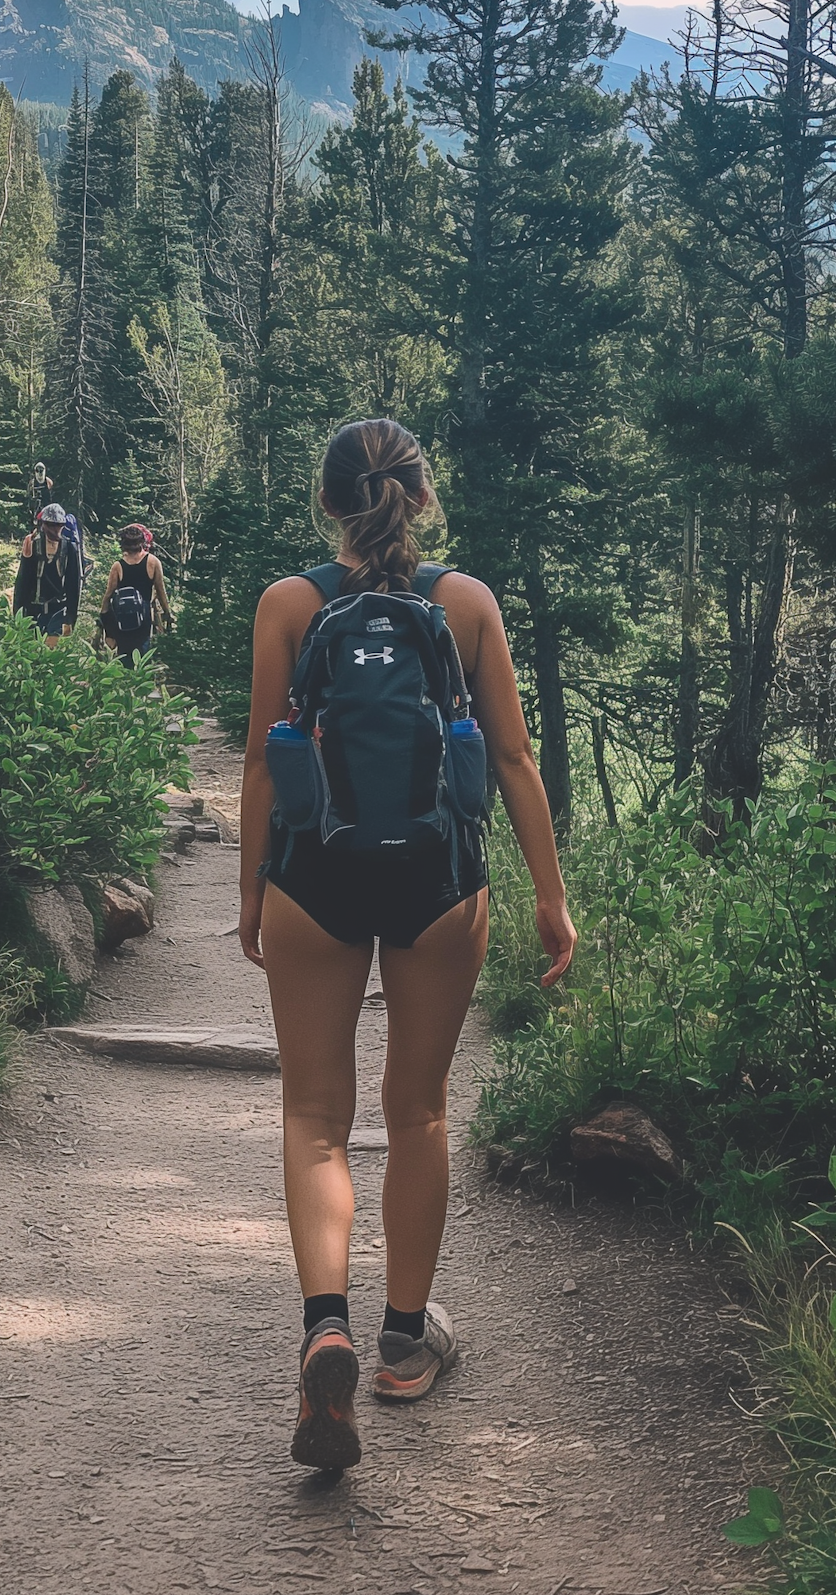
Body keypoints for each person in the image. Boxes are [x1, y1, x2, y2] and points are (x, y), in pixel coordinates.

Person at [237, 418, 576, 1471]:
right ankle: (401, 1342)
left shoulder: (290, 604)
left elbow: (261, 764)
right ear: (417, 501)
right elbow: (514, 761)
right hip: (438, 880)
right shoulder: (464, 602)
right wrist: (552, 900)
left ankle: (323, 1325)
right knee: (420, 1107)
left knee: (315, 1115)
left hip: (316, 878)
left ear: (329, 502)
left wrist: (253, 894)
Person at [99, 524, 172, 664]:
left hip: (121, 618)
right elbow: (161, 592)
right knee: (141, 655)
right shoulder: (153, 562)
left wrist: (104, 620)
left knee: (124, 656)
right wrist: (167, 614)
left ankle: (125, 683)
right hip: (143, 616)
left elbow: (107, 597)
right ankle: (140, 682)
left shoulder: (118, 566)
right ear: (142, 543)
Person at [13, 501, 81, 646]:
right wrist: (17, 613)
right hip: (32, 609)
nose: (55, 529)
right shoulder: (32, 545)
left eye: (58, 525)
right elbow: (22, 582)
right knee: (31, 652)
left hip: (57, 611)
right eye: (51, 525)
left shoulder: (70, 548)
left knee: (50, 654)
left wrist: (70, 619)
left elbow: (73, 586)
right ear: (43, 524)